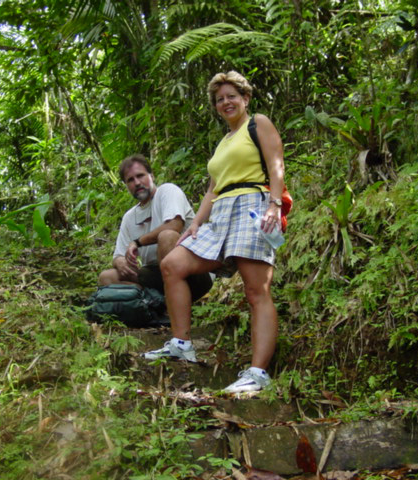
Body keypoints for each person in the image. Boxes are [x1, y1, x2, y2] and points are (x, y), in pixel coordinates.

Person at [142, 71, 286, 394]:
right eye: (220, 99)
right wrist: (194, 224)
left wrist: (274, 205)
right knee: (172, 264)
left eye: (231, 96)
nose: (226, 102)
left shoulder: (257, 123)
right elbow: (212, 189)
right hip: (220, 214)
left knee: (256, 290)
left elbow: (276, 163)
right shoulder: (223, 143)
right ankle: (181, 343)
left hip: (252, 203)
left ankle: (258, 373)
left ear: (245, 98)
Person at [98, 154, 212, 303]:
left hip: (192, 271)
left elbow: (174, 225)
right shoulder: (129, 217)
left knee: (167, 236)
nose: (137, 182)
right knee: (106, 277)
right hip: (155, 274)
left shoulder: (167, 191)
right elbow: (118, 255)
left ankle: (174, 303)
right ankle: (154, 303)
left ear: (152, 176)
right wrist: (120, 262)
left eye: (140, 176)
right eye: (130, 180)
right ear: (126, 186)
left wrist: (138, 242)